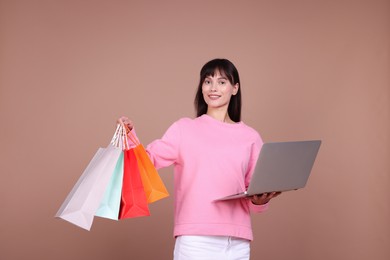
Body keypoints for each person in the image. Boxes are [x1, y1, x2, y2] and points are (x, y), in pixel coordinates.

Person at [118, 58, 281, 260]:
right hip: (196, 240)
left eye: (222, 82)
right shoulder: (184, 129)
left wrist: (261, 200)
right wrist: (130, 137)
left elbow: (254, 192)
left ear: (235, 88)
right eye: (207, 81)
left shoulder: (251, 137)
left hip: (237, 241)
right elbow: (147, 162)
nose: (213, 88)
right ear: (201, 87)